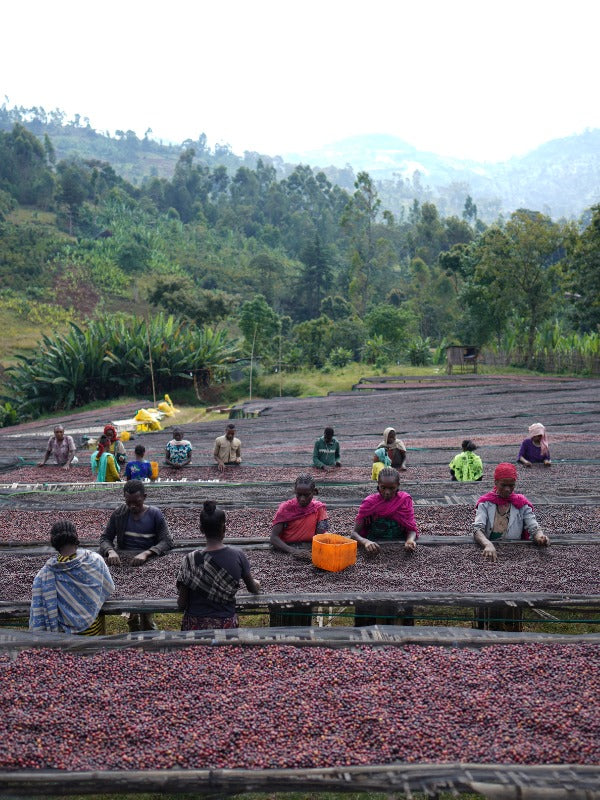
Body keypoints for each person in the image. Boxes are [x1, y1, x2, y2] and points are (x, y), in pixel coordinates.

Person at [99, 479, 173, 631]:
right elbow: (105, 538)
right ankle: (134, 628)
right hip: (126, 566)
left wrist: (147, 553)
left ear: (144, 497)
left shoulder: (155, 514)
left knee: (146, 606)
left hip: (149, 565)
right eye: (129, 502)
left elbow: (167, 541)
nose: (132, 506)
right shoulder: (119, 513)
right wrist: (110, 551)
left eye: (136, 502)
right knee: (131, 604)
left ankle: (148, 629)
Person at [176, 500, 261, 630]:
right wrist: (256, 583)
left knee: (195, 652)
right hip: (225, 627)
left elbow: (181, 604)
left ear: (201, 529)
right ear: (224, 528)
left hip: (194, 628)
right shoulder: (238, 556)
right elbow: (253, 589)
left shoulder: (190, 560)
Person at [29, 520, 114, 635]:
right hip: (93, 631)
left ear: (54, 542)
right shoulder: (95, 560)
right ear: (76, 537)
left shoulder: (45, 575)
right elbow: (108, 587)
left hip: (65, 636)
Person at [473, 462, 549, 562]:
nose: (507, 489)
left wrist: (540, 537)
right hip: (490, 552)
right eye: (503, 485)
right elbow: (477, 529)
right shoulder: (485, 503)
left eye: (511, 485)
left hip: (515, 555)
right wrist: (487, 544)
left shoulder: (521, 503)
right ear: (496, 483)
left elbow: (534, 527)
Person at [352, 467, 419, 553]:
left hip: (399, 548)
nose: (387, 492)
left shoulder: (404, 501)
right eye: (383, 487)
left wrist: (410, 541)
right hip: (374, 545)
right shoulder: (369, 503)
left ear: (398, 485)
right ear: (378, 484)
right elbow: (354, 534)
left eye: (392, 488)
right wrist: (366, 542)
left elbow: (411, 528)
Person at [270, 474, 330, 559]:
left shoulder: (319, 508)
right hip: (287, 549)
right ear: (295, 491)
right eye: (299, 494)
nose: (302, 499)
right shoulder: (285, 508)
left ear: (314, 492)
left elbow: (321, 534)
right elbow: (273, 538)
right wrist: (293, 551)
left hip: (310, 547)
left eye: (306, 495)